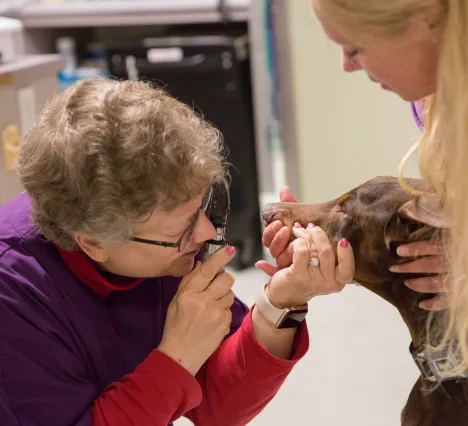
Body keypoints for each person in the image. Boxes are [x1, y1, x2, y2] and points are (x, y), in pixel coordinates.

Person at [0, 77, 355, 426]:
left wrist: (282, 302)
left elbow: (217, 408)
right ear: (93, 243)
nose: (203, 232)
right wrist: (177, 357)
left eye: (204, 207)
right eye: (182, 227)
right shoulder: (14, 295)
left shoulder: (158, 246)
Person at [260, 0, 468, 382]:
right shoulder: (438, 99)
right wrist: (345, 245)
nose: (347, 65)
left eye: (356, 48)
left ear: (429, 18)